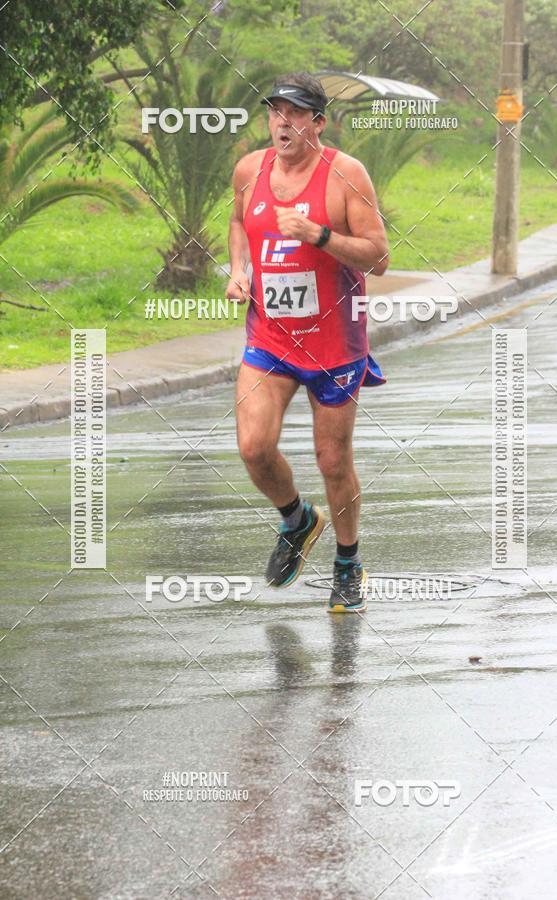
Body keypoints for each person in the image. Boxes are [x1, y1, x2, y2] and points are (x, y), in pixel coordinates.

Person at [225, 72, 389, 612]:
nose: (283, 122)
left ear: (318, 122)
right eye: (276, 111)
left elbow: (379, 257)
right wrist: (239, 269)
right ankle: (298, 520)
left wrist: (318, 235)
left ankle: (348, 563)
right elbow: (235, 221)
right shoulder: (250, 170)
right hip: (269, 336)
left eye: (296, 113)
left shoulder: (345, 175)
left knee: (332, 459)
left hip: (334, 345)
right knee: (253, 447)